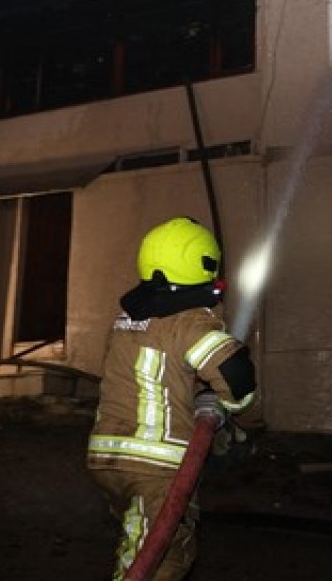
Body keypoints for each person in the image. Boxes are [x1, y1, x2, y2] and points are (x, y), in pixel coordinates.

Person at [87, 216, 257, 581]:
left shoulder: (127, 319)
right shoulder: (191, 321)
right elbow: (236, 377)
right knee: (162, 560)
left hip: (107, 458)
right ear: (204, 263)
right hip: (157, 466)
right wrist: (233, 411)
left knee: (137, 540)